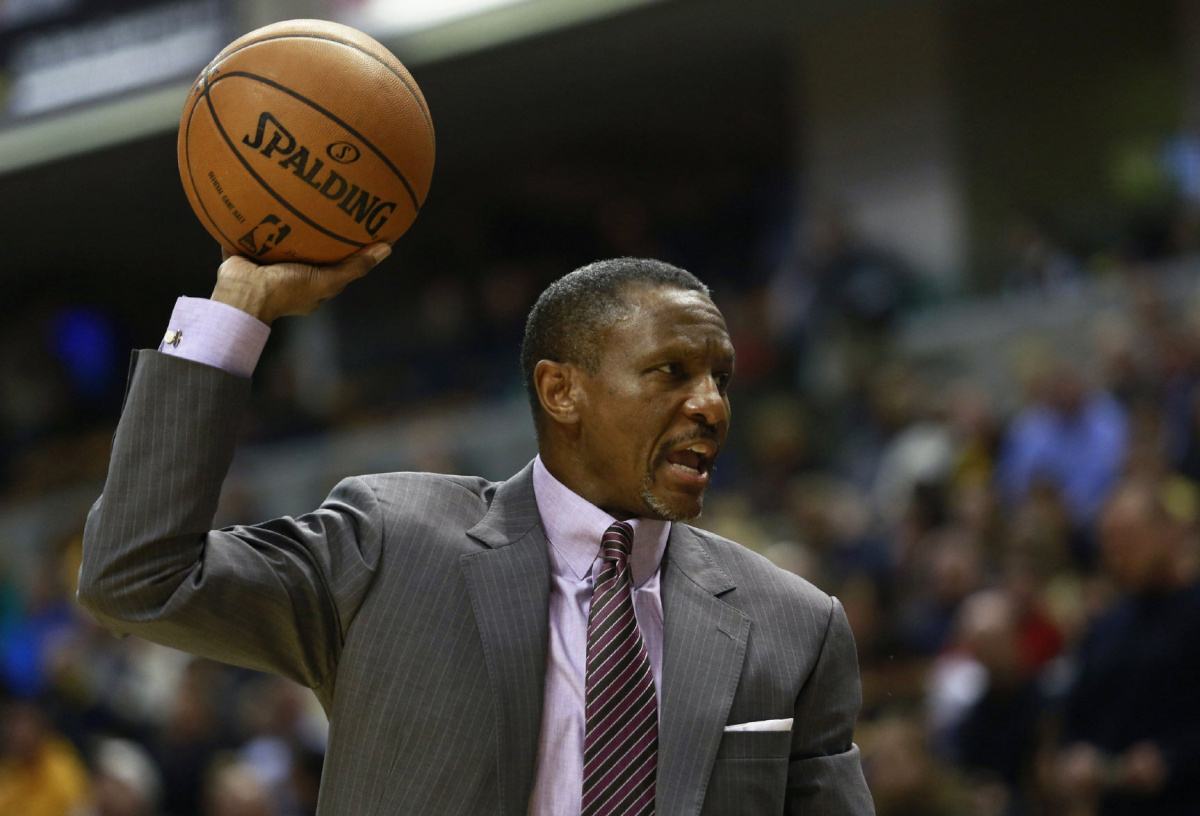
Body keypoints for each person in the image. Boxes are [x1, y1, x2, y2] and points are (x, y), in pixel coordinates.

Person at [78, 246, 874, 814]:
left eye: (720, 377)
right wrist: (238, 307)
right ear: (561, 392)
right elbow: (136, 577)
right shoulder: (392, 543)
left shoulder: (795, 625)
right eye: (672, 372)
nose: (711, 405)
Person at [1052, 478, 1200, 816]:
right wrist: (1077, 757)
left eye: (1130, 537)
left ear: (1169, 533)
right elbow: (1075, 718)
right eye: (1110, 541)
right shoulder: (1105, 627)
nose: (1118, 552)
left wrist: (1172, 758)